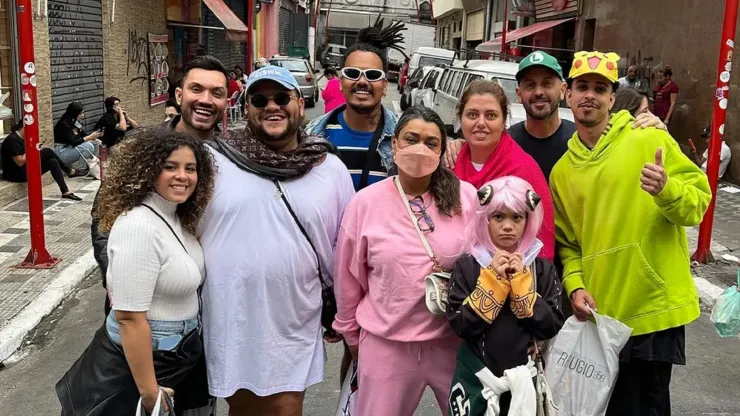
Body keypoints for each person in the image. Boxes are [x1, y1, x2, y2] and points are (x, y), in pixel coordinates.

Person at [550, 51, 711, 416]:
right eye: (581, 87)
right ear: (568, 95)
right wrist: (575, 286)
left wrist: (666, 190)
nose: (589, 95)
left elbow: (698, 202)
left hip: (652, 310)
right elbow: (568, 244)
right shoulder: (562, 172)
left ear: (611, 98)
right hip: (602, 317)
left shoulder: (645, 140)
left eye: (599, 88)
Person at [199, 65, 354, 415]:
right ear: (246, 107)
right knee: (240, 408)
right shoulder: (214, 160)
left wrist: (346, 311)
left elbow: (346, 247)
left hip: (294, 315)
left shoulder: (329, 168)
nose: (272, 106)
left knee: (286, 406)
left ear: (300, 103)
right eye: (260, 99)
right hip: (231, 315)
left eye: (282, 97)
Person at [57, 128, 216, 415]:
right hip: (150, 363)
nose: (183, 176)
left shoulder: (174, 217)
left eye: (190, 168)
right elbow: (129, 318)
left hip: (178, 355)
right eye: (170, 167)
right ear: (148, 170)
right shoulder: (138, 226)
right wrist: (150, 393)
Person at [333, 106, 478, 416]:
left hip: (452, 342)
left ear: (441, 150)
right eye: (411, 139)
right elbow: (348, 276)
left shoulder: (466, 198)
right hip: (387, 345)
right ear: (394, 143)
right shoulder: (365, 204)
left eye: (431, 143)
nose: (420, 149)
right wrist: (352, 336)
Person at [91, 55, 230, 322]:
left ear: (225, 102)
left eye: (217, 93)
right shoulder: (140, 149)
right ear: (179, 95)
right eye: (197, 89)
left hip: (211, 307)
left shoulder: (233, 158)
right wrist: (121, 277)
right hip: (149, 310)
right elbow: (104, 220)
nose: (206, 100)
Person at [446, 51, 667, 182]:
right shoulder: (505, 142)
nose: (539, 91)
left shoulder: (582, 140)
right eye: (530, 85)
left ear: (563, 90)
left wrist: (655, 128)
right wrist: (458, 146)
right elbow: (476, 155)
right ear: (519, 94)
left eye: (547, 83)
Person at [447, 176, 564, 415]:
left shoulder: (541, 269)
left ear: (528, 221)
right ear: (485, 220)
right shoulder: (468, 266)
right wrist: (493, 283)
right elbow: (460, 325)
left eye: (517, 217)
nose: (508, 226)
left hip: (523, 382)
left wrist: (523, 290)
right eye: (498, 217)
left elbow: (551, 325)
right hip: (476, 379)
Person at [449, 79, 555, 262]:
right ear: (460, 119)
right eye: (472, 115)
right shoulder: (449, 163)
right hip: (457, 277)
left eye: (490, 116)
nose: (480, 123)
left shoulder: (523, 169)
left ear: (504, 121)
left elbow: (543, 238)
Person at [306, 19, 406, 191]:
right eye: (352, 73)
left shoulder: (404, 136)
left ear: (384, 86)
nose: (362, 81)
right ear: (340, 82)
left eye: (372, 75)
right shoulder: (312, 136)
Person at [1, 119, 82, 200]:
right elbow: (20, 162)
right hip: (15, 174)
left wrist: (36, 149)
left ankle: (65, 191)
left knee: (52, 161)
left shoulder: (25, 138)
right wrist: (33, 149)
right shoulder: (12, 141)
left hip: (26, 168)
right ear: (24, 128)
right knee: (47, 151)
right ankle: (69, 171)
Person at [53, 101, 102, 172]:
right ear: (74, 113)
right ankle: (79, 169)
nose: (83, 115)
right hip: (62, 151)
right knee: (88, 146)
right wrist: (89, 137)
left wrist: (94, 137)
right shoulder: (64, 124)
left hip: (71, 148)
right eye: (80, 113)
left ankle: (92, 167)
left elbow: (84, 135)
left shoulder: (76, 123)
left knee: (96, 143)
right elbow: (73, 143)